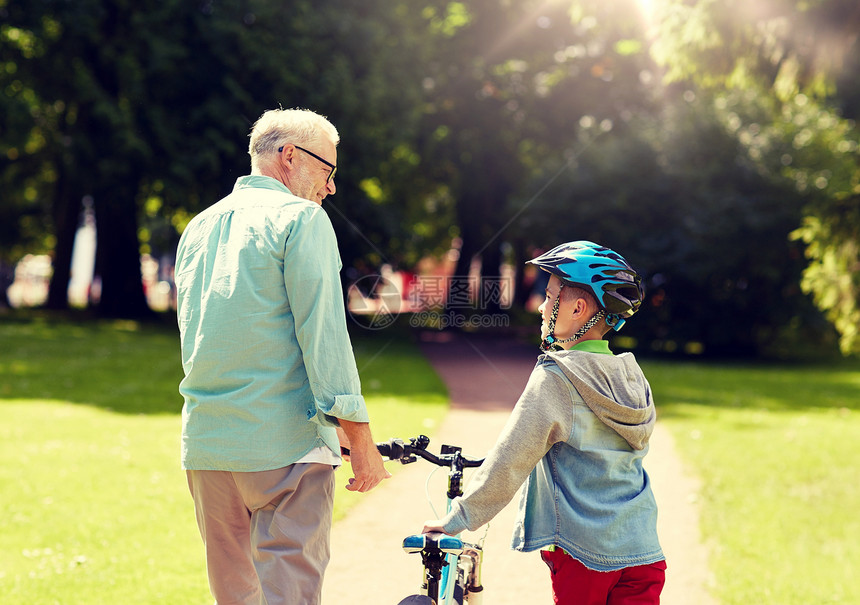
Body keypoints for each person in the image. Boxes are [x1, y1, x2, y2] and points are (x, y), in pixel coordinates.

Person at [175, 108, 390, 605]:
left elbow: (200, 336)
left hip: (207, 449)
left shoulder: (198, 227)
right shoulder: (302, 219)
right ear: (290, 156)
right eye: (327, 170)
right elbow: (325, 337)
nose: (330, 187)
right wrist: (359, 437)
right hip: (284, 451)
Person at [423, 241, 666, 604]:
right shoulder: (631, 376)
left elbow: (512, 458)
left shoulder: (557, 378)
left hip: (585, 554)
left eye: (549, 296)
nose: (541, 306)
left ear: (577, 308)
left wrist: (458, 518)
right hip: (643, 549)